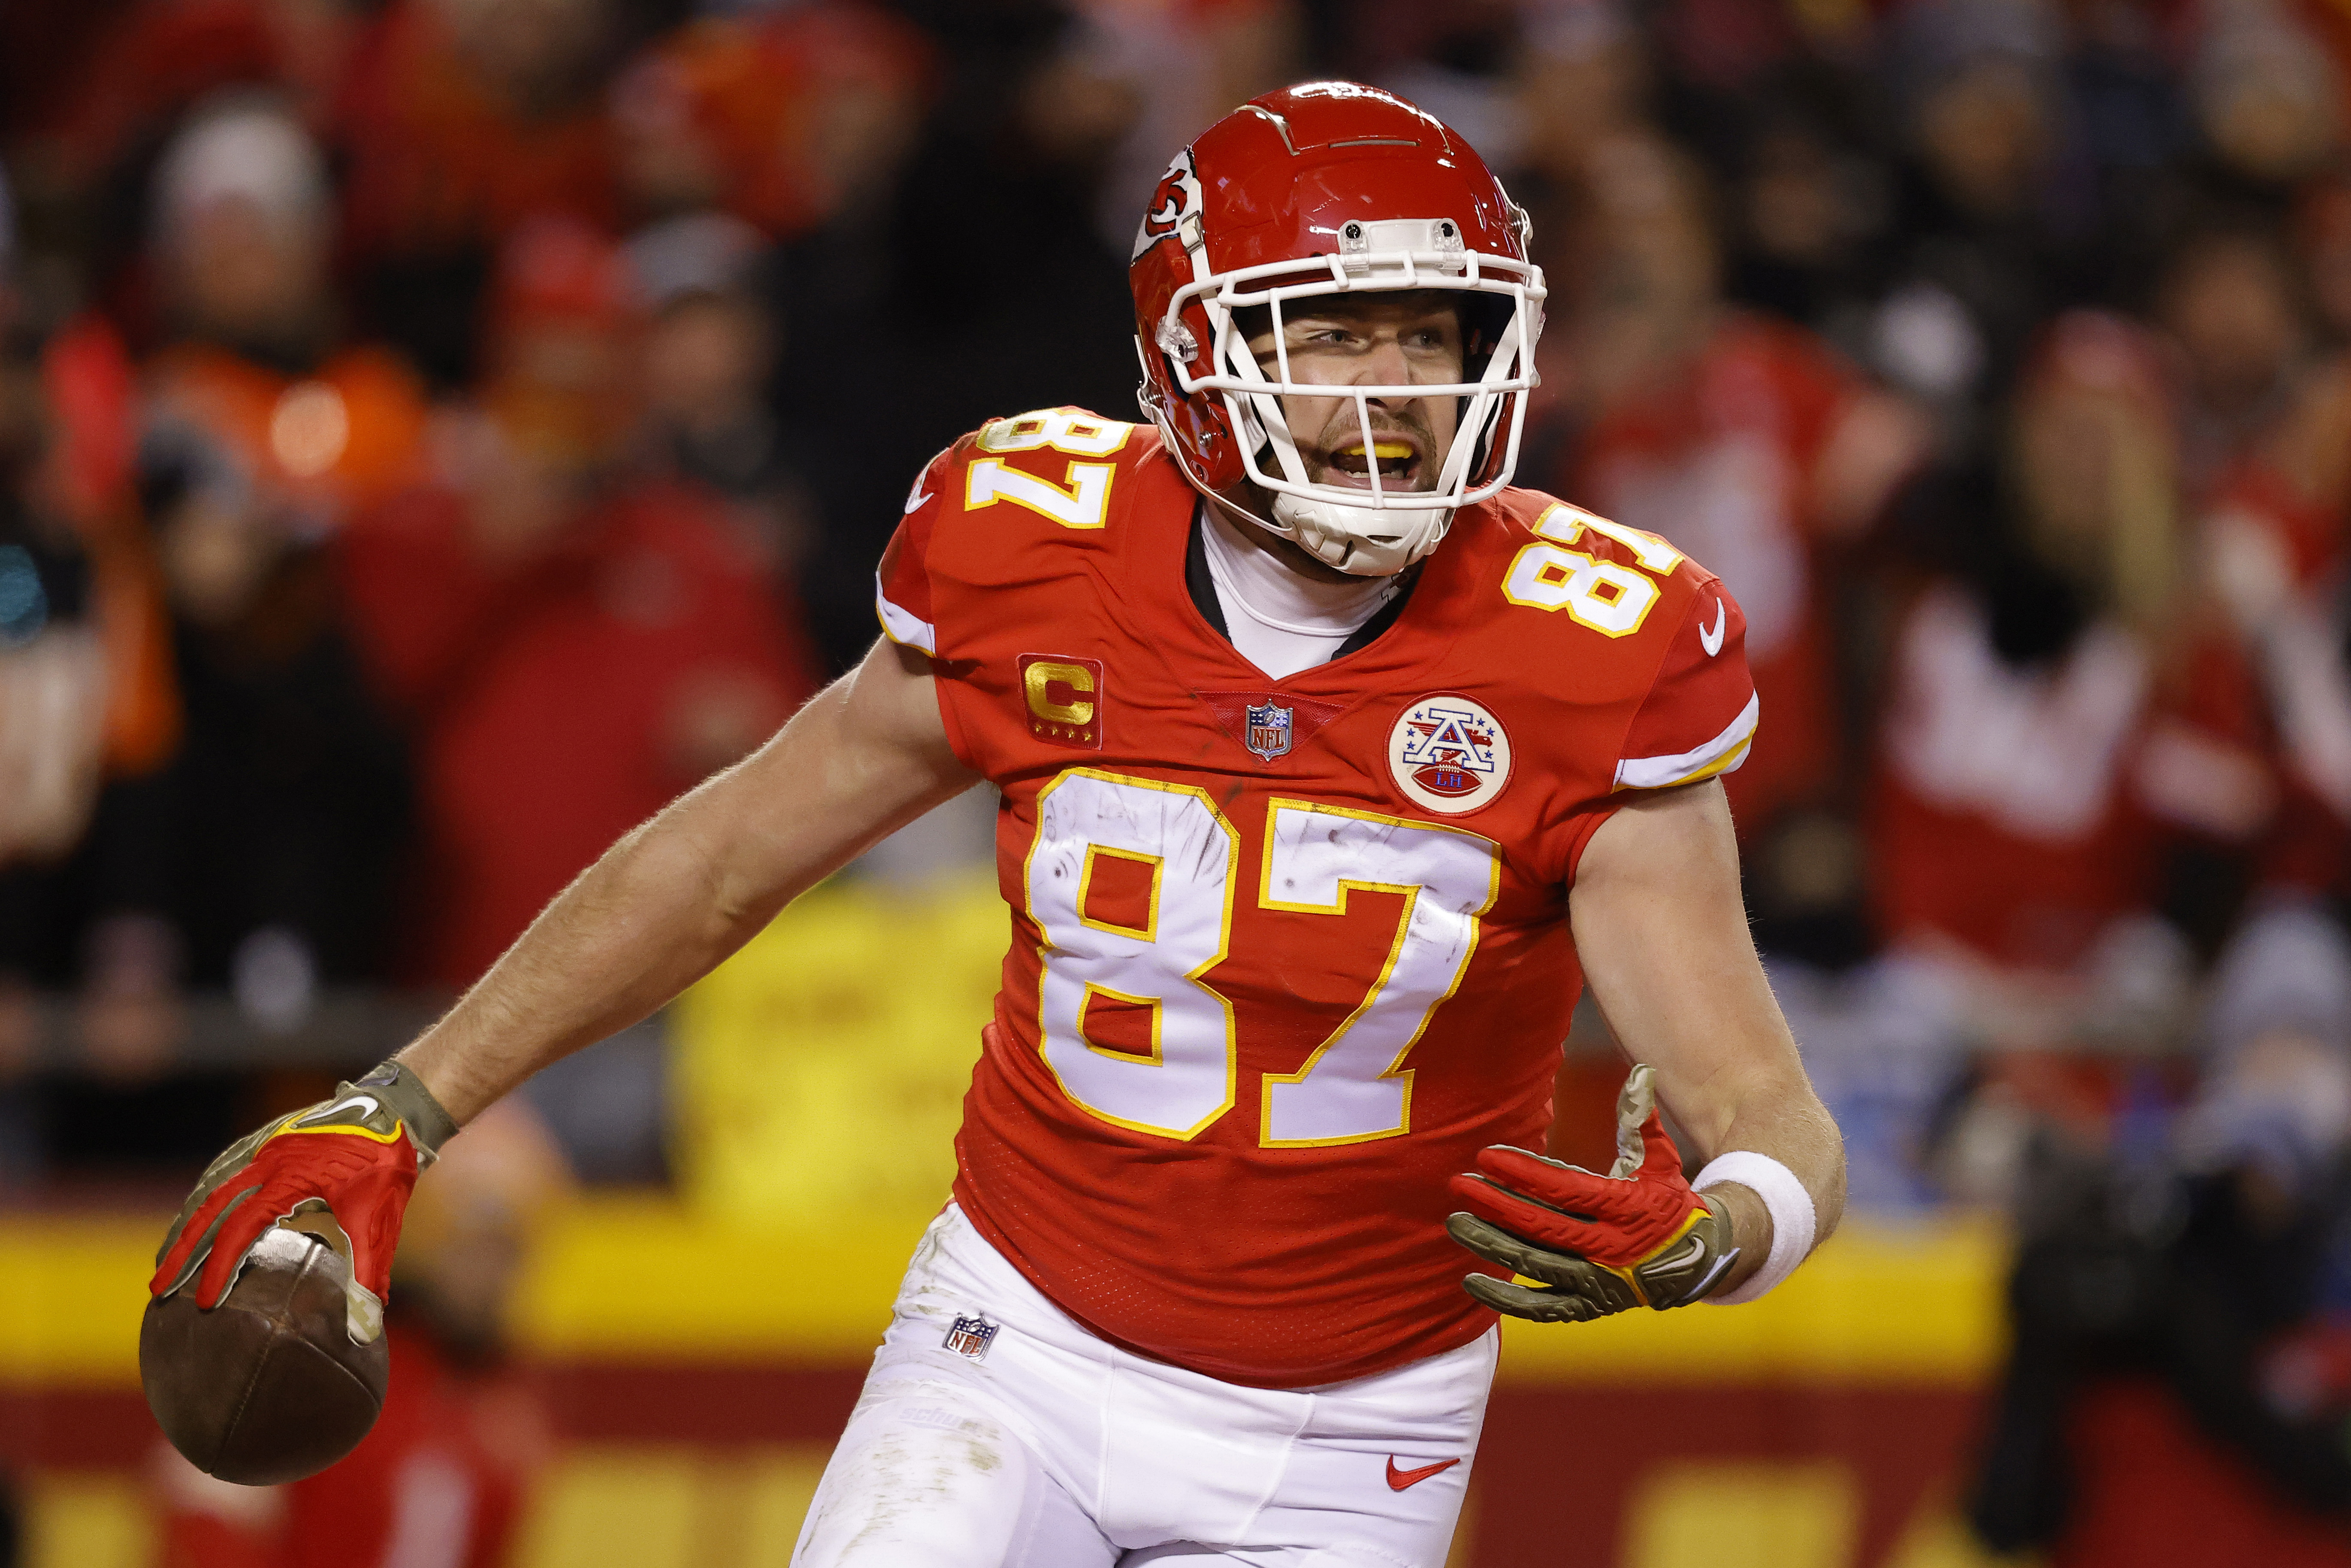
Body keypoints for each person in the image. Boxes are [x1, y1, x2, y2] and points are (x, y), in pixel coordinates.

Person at [147, 84, 1846, 1565]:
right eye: (1334, 333)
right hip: (1018, 1336)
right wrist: (410, 1100)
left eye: (1430, 333)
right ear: (1196, 345)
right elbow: (731, 848)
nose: (1395, 387)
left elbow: (1770, 1114)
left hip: (1351, 1426)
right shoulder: (1032, 544)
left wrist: (1723, 1229)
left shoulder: (1592, 643)